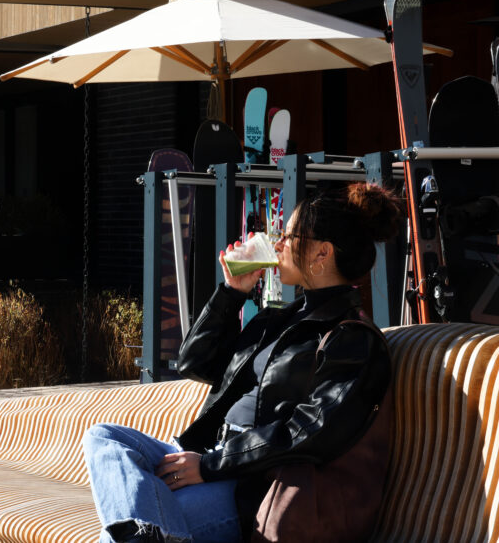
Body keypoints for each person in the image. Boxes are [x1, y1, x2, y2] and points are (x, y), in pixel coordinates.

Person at [81, 182, 403, 543]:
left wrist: (210, 466)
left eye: (288, 234)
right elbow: (194, 363)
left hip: (251, 486)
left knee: (123, 533)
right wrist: (232, 293)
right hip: (208, 457)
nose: (277, 243)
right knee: (104, 438)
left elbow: (309, 432)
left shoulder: (352, 338)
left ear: (321, 253)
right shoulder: (278, 319)